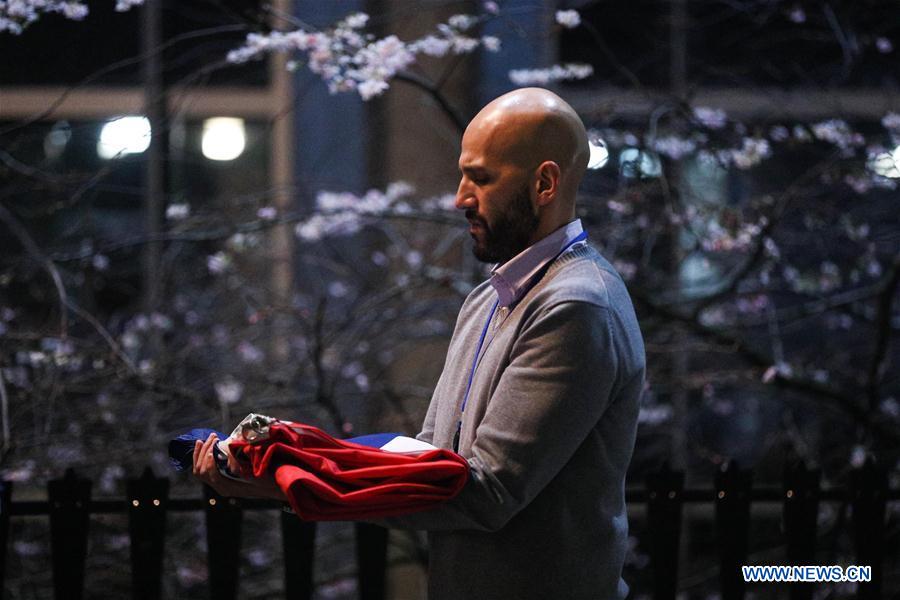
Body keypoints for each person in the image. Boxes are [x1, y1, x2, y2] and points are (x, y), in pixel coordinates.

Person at [194, 87, 645, 600]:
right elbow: (429, 464)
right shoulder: (489, 298)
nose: (460, 198)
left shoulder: (575, 307)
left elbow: (486, 493)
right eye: (463, 175)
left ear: (544, 183)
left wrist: (296, 482)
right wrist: (294, 463)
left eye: (481, 178)